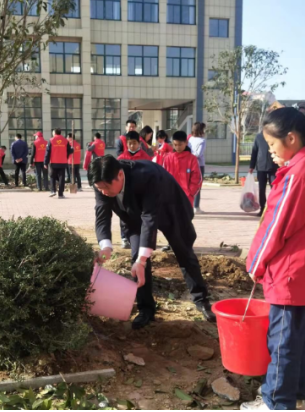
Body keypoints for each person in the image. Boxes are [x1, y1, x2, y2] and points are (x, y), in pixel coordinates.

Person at [241, 104, 305, 411]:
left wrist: (255, 263)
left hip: (290, 272)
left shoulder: (298, 174)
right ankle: (295, 397)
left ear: (291, 138)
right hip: (303, 271)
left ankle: (276, 402)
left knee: (281, 343)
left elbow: (276, 226)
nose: (270, 152)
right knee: (296, 340)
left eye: (271, 145)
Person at [90, 155, 216, 329]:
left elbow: (150, 216)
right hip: (133, 215)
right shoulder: (101, 182)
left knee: (183, 252)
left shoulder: (147, 176)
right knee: (136, 259)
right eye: (99, 188)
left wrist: (143, 258)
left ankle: (201, 300)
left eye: (106, 187)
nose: (103, 191)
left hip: (170, 209)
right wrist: (106, 247)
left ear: (120, 175)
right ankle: (146, 309)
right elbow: (102, 213)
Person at [163, 131, 202, 207]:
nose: (177, 147)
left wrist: (190, 193)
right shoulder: (167, 159)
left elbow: (197, 177)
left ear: (186, 143)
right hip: (170, 196)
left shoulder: (192, 159)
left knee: (185, 218)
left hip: (187, 197)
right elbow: (162, 176)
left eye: (180, 144)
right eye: (175, 145)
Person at [249, 131, 278, 217]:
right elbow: (254, 152)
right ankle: (262, 209)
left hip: (273, 166)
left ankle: (274, 209)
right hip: (261, 167)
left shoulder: (275, 135)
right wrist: (252, 166)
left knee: (274, 188)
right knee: (261, 189)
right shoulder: (259, 137)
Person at [44, 128, 73, 199]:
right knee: (61, 178)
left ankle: (53, 191)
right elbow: (69, 151)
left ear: (54, 133)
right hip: (63, 162)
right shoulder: (66, 141)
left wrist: (45, 162)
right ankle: (61, 194)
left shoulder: (51, 140)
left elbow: (47, 153)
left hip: (53, 162)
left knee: (52, 177)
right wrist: (66, 156)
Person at [188, 122, 207, 214]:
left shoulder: (190, 139)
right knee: (198, 185)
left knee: (190, 184)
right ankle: (196, 206)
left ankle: (191, 205)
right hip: (199, 165)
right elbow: (199, 154)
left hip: (189, 164)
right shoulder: (202, 140)